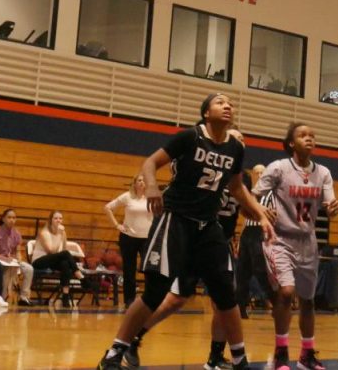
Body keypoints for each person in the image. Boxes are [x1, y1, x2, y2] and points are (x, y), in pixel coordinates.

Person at [96, 94, 273, 370]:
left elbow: (238, 189)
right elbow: (150, 163)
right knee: (156, 292)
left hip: (208, 227)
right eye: (220, 102)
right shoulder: (190, 137)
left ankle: (239, 360)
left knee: (227, 295)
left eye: (230, 103)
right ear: (206, 113)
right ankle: (114, 352)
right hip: (176, 219)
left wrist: (261, 215)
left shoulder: (236, 149)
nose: (227, 106)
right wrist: (153, 187)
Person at [254, 122, 338, 370]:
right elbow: (252, 195)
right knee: (285, 292)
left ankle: (306, 354)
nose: (309, 138)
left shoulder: (323, 172)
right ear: (291, 143)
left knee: (308, 300)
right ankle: (281, 352)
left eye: (312, 135)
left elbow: (330, 201)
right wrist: (260, 210)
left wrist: (333, 207)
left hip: (308, 241)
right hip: (280, 237)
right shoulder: (279, 168)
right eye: (303, 135)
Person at [104, 174, 153, 306]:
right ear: (135, 183)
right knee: (129, 270)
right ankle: (129, 300)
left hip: (147, 239)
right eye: (139, 180)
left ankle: (149, 299)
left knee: (149, 270)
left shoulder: (152, 197)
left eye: (144, 180)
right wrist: (117, 225)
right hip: (128, 238)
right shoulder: (127, 196)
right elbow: (108, 207)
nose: (142, 182)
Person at [235, 164, 274, 318]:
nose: (259, 175)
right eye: (256, 173)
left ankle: (276, 302)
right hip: (247, 233)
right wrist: (240, 239)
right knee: (241, 273)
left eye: (261, 173)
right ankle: (240, 308)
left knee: (261, 271)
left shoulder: (271, 194)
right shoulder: (249, 193)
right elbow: (245, 218)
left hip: (261, 232)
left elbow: (273, 215)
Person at [31, 210, 81, 307]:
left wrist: (62, 235)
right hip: (39, 261)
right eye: (56, 218)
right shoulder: (44, 233)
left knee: (65, 264)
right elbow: (51, 251)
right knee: (65, 255)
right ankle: (80, 275)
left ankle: (65, 296)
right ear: (51, 220)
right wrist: (59, 235)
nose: (58, 220)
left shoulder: (62, 233)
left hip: (52, 261)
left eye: (60, 218)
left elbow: (64, 250)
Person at [0, 208, 34, 306]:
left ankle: (24, 297)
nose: (12, 220)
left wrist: (18, 259)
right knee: (8, 269)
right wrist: (5, 259)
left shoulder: (17, 234)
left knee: (29, 268)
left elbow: (18, 251)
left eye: (14, 218)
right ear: (3, 219)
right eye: (9, 217)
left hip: (12, 260)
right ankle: (3, 296)